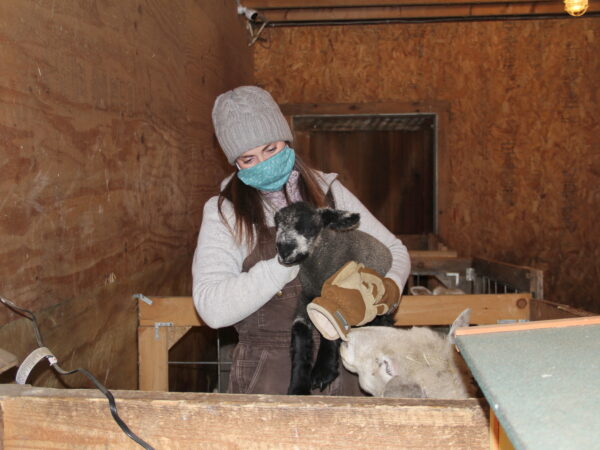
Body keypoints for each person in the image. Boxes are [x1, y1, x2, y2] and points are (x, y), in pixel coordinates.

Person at [192, 85, 411, 395]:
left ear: (286, 138)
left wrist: (386, 291)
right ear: (235, 163)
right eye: (248, 159)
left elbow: (394, 250)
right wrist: (286, 262)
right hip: (271, 375)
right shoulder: (226, 213)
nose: (264, 163)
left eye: (271, 149)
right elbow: (212, 308)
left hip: (347, 363)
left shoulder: (329, 191)